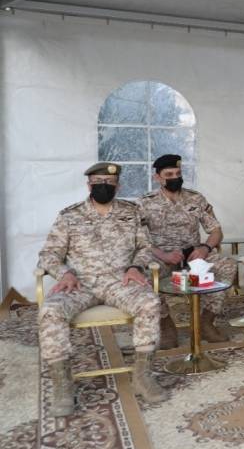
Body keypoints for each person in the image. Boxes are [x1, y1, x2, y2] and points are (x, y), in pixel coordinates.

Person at [37, 162, 167, 416]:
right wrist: (64, 274)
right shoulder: (69, 216)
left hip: (120, 281)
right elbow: (48, 254)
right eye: (98, 183)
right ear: (89, 186)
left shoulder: (132, 212)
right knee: (50, 311)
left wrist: (136, 267)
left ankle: (142, 376)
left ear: (118, 186)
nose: (103, 186)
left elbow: (145, 247)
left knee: (150, 302)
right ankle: (63, 385)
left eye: (109, 183)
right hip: (80, 282)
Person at [137, 154, 236, 348]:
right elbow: (136, 237)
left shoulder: (195, 198)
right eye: (169, 174)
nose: (175, 177)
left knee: (228, 266)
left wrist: (205, 248)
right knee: (144, 276)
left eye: (178, 173)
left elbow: (216, 231)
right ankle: (166, 325)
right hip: (162, 256)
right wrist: (163, 255)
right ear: (157, 178)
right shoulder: (145, 202)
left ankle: (205, 322)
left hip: (193, 255)